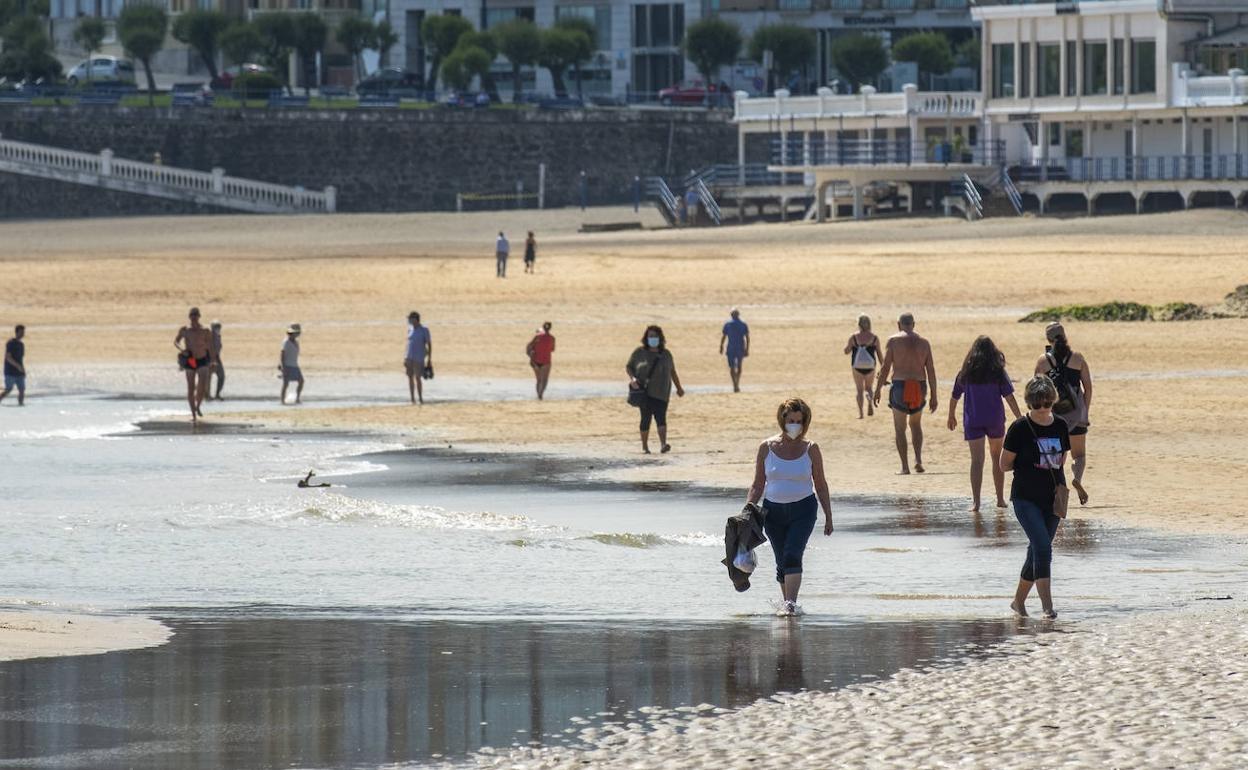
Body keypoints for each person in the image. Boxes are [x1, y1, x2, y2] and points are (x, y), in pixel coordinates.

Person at [745, 398, 834, 617]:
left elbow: (820, 484)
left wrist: (828, 516)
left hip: (803, 510)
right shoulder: (766, 448)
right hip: (773, 512)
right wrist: (747, 511)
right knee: (781, 560)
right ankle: (787, 605)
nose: (795, 425)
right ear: (782, 420)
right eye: (791, 421)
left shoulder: (811, 449)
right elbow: (757, 484)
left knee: (793, 554)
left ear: (805, 423)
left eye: (799, 421)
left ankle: (790, 606)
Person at [1000, 375, 1070, 620]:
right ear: (1030, 403)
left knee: (1037, 550)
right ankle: (1047, 607)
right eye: (1038, 404)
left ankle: (1018, 602)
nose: (1043, 409)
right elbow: (1004, 465)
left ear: (1053, 401)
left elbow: (1063, 460)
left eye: (1047, 403)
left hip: (1053, 498)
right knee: (1042, 547)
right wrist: (1028, 463)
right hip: (1025, 497)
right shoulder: (1019, 428)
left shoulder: (1061, 425)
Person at [947, 336, 1023, 512]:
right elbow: (1009, 397)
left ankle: (976, 502)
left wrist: (951, 415)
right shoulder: (998, 372)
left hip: (973, 420)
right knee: (997, 458)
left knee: (977, 460)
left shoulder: (966, 373)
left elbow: (954, 396)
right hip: (994, 419)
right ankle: (1000, 499)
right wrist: (1019, 417)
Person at [1034, 322, 1092, 505]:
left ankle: (1056, 501)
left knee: (1055, 461)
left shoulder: (1043, 361)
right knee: (1079, 456)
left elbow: (1036, 389)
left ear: (1048, 339)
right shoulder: (1078, 358)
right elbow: (1088, 388)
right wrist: (1084, 410)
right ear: (1065, 336)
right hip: (1077, 413)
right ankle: (1077, 478)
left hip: (1054, 416)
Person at [873, 313, 938, 474]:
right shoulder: (924, 343)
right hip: (919, 386)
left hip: (900, 385)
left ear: (898, 324)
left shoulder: (893, 341)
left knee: (900, 428)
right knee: (915, 424)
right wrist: (934, 395)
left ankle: (905, 467)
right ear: (913, 324)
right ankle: (918, 460)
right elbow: (930, 370)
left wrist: (878, 389)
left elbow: (885, 367)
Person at [625, 325, 684, 454]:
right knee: (645, 419)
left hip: (662, 392)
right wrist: (633, 379)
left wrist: (679, 388)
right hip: (645, 393)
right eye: (651, 336)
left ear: (660, 338)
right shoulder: (639, 352)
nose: (653, 338)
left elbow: (673, 372)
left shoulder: (666, 354)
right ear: (646, 338)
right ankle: (645, 447)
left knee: (661, 418)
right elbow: (629, 367)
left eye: (655, 336)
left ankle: (663, 444)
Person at [174, 308, 215, 423]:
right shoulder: (185, 330)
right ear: (189, 317)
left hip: (202, 359)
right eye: (192, 315)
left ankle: (198, 406)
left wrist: (213, 360)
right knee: (191, 387)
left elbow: (210, 346)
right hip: (191, 360)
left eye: (196, 315)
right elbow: (176, 341)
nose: (194, 318)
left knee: (202, 386)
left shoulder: (205, 330)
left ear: (199, 316)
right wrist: (182, 350)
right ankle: (193, 414)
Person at [843, 315, 881, 419]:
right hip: (870, 366)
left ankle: (861, 414)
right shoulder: (874, 337)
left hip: (857, 366)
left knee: (859, 390)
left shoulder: (854, 337)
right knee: (869, 387)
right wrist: (882, 367)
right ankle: (869, 400)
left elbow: (847, 351)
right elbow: (879, 354)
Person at [719, 308, 750, 393]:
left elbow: (724, 336)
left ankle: (735, 384)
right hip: (739, 348)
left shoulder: (728, 324)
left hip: (731, 348)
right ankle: (736, 384)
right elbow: (747, 338)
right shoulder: (742, 324)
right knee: (739, 366)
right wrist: (747, 349)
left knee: (732, 367)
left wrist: (721, 346)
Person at [405, 312, 432, 405]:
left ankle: (420, 398)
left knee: (418, 378)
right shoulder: (410, 329)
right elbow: (408, 344)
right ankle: (412, 399)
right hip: (409, 357)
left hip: (419, 358)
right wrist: (405, 357)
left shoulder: (424, 330)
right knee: (410, 378)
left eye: (410, 319)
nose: (409, 320)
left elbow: (429, 344)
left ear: (415, 319)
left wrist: (429, 359)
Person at [526, 321, 555, 400]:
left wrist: (531, 354)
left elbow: (530, 345)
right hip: (546, 361)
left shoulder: (537, 337)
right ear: (550, 328)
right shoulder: (552, 338)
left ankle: (538, 394)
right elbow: (552, 349)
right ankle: (540, 394)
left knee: (538, 380)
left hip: (535, 360)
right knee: (544, 380)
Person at [1, 324, 26, 406]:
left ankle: (21, 405)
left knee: (22, 389)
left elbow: (21, 359)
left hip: (19, 372)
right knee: (8, 389)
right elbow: (8, 357)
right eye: (21, 332)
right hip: (10, 371)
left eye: (23, 332)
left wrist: (23, 370)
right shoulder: (11, 343)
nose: (23, 334)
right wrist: (17, 366)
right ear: (16, 332)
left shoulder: (21, 345)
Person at [280, 323, 304, 405]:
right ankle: (282, 401)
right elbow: (282, 354)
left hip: (294, 365)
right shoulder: (286, 342)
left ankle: (297, 398)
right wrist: (283, 367)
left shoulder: (296, 342)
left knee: (301, 381)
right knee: (285, 384)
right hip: (287, 365)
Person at [209, 320, 225, 401]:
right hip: (210, 358)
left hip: (217, 357)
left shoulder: (218, 336)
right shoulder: (210, 336)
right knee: (208, 377)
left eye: (219, 327)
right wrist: (212, 359)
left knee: (221, 376)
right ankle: (207, 395)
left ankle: (217, 394)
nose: (218, 329)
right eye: (216, 327)